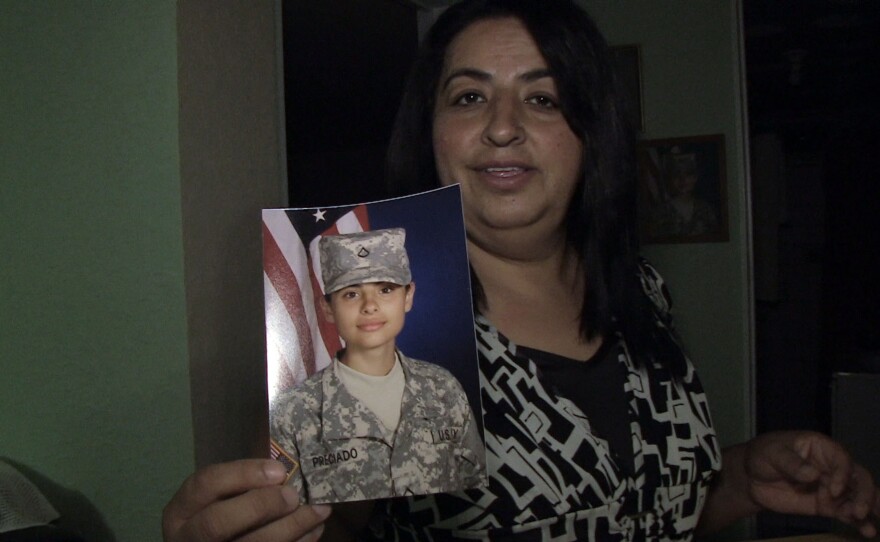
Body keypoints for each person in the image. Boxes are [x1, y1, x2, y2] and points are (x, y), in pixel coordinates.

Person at [162, 0, 880, 540]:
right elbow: (331, 521)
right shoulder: (380, 326)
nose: (503, 125)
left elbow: (642, 506)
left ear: (591, 133)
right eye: (469, 96)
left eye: (543, 97)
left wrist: (747, 478)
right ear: (431, 131)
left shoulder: (642, 293)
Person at [270, 228, 486, 504]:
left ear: (408, 296)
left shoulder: (443, 388)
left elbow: (476, 486)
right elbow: (290, 515)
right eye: (351, 294)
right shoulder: (294, 412)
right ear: (327, 308)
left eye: (385, 289)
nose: (370, 306)